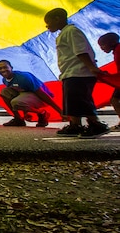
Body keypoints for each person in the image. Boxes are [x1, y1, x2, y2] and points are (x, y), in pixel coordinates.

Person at [44, 8, 109, 138]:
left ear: (58, 18)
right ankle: (75, 125)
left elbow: (81, 51)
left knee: (81, 100)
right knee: (72, 101)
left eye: (48, 22)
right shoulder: (64, 33)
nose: (47, 26)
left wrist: (91, 67)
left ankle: (96, 125)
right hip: (70, 72)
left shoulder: (72, 31)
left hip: (79, 73)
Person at [0, 60, 62, 127]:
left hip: (41, 97)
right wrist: (25, 112)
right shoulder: (5, 80)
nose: (3, 70)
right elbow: (21, 93)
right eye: (0, 69)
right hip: (26, 96)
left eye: (5, 67)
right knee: (4, 92)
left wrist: (60, 111)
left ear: (11, 67)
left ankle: (42, 113)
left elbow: (42, 93)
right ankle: (18, 119)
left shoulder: (23, 77)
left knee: (15, 102)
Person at [98, 32, 120, 131]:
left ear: (112, 42)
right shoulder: (116, 50)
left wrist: (110, 77)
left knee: (114, 100)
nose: (101, 48)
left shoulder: (118, 50)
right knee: (114, 100)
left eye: (103, 45)